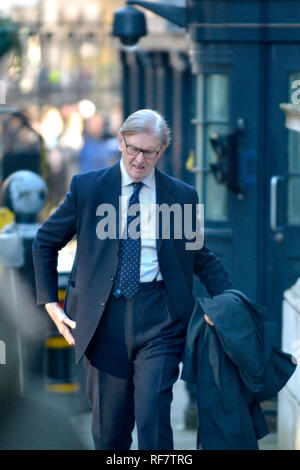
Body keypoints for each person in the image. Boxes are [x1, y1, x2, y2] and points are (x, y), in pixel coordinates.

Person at [32, 109, 233, 450]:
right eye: (133, 149)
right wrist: (50, 303)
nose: (139, 159)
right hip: (102, 318)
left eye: (149, 152)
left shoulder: (181, 196)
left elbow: (200, 256)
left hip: (160, 318)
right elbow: (45, 242)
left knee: (153, 418)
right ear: (122, 142)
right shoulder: (88, 188)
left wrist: (227, 303)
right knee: (109, 433)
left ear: (162, 150)